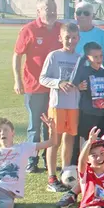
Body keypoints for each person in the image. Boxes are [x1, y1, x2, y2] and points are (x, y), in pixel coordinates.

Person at [13, 0, 61, 173]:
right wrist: (17, 80)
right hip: (34, 86)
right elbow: (17, 55)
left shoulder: (60, 29)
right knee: (34, 126)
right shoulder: (29, 30)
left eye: (53, 8)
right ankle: (31, 161)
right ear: (38, 11)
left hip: (55, 88)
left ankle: (48, 159)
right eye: (47, 8)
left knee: (51, 125)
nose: (51, 11)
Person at [39, 23, 83, 192]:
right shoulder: (54, 56)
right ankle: (51, 177)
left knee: (69, 139)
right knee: (54, 140)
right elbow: (43, 78)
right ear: (60, 38)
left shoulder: (80, 58)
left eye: (73, 38)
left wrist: (82, 85)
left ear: (78, 38)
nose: (70, 41)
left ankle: (66, 172)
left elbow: (80, 81)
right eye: (67, 38)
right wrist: (59, 83)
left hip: (73, 105)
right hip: (57, 105)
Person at [69, 41, 104, 166]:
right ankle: (78, 165)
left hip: (103, 114)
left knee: (102, 141)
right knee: (84, 140)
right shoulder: (84, 71)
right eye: (95, 57)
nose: (99, 59)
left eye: (100, 56)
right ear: (87, 57)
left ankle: (101, 163)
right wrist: (82, 58)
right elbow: (73, 80)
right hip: (88, 113)